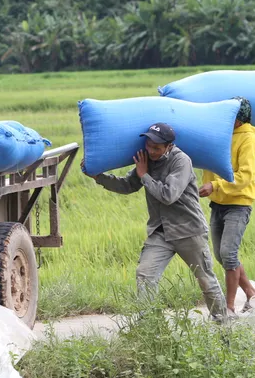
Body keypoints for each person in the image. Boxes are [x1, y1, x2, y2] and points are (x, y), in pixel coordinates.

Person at [84, 122, 227, 320]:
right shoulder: (146, 160)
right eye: (149, 145)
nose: (151, 151)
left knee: (205, 280)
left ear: (169, 146)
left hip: (188, 230)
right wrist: (99, 178)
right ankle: (151, 326)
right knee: (145, 275)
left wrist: (144, 175)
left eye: (156, 148)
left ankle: (222, 325)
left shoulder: (181, 161)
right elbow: (127, 185)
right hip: (160, 232)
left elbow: (169, 195)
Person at [199, 97, 255, 313]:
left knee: (229, 254)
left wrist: (215, 185)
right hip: (218, 204)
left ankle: (230, 307)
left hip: (238, 204)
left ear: (239, 120)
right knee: (221, 255)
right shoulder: (220, 133)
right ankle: (251, 294)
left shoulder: (248, 138)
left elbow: (246, 175)